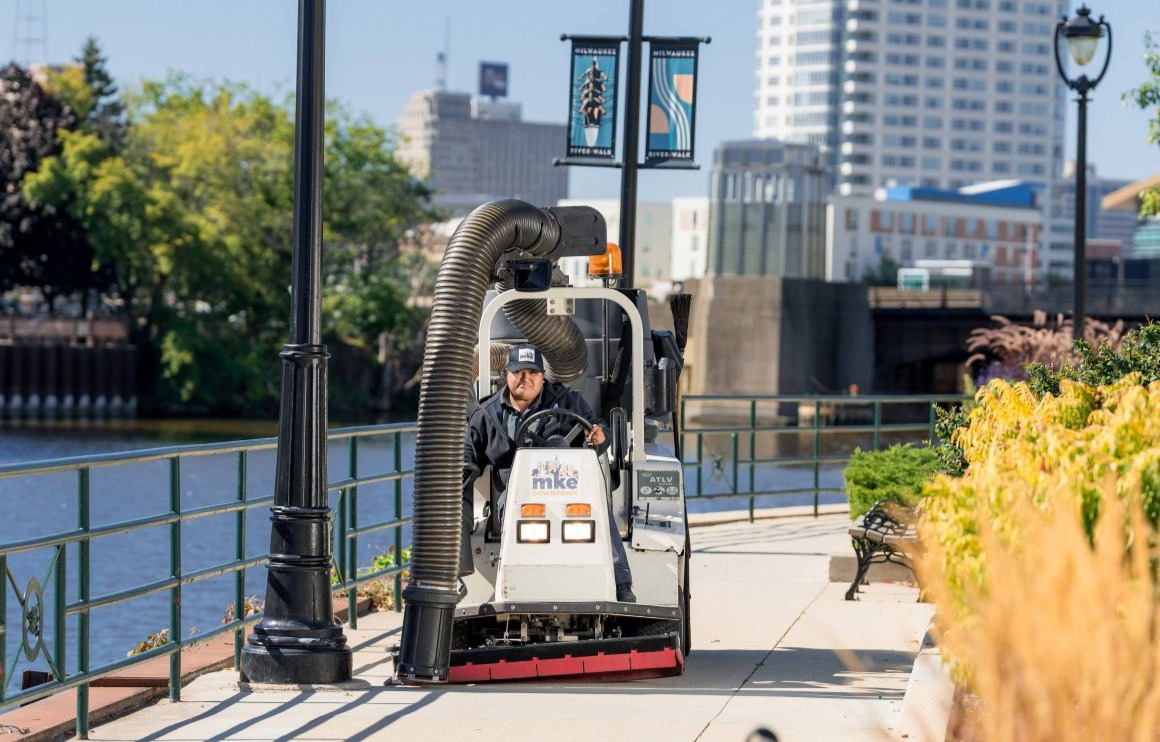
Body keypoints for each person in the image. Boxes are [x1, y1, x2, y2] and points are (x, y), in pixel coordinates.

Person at [461, 343, 636, 602]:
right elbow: (467, 450)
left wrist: (600, 435)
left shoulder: (568, 401)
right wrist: (460, 468)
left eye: (533, 373)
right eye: (519, 372)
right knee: (490, 503)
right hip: (514, 494)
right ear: (506, 375)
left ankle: (621, 583)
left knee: (597, 507)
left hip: (569, 487)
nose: (526, 379)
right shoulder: (487, 414)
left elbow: (598, 428)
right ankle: (509, 585)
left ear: (543, 377)